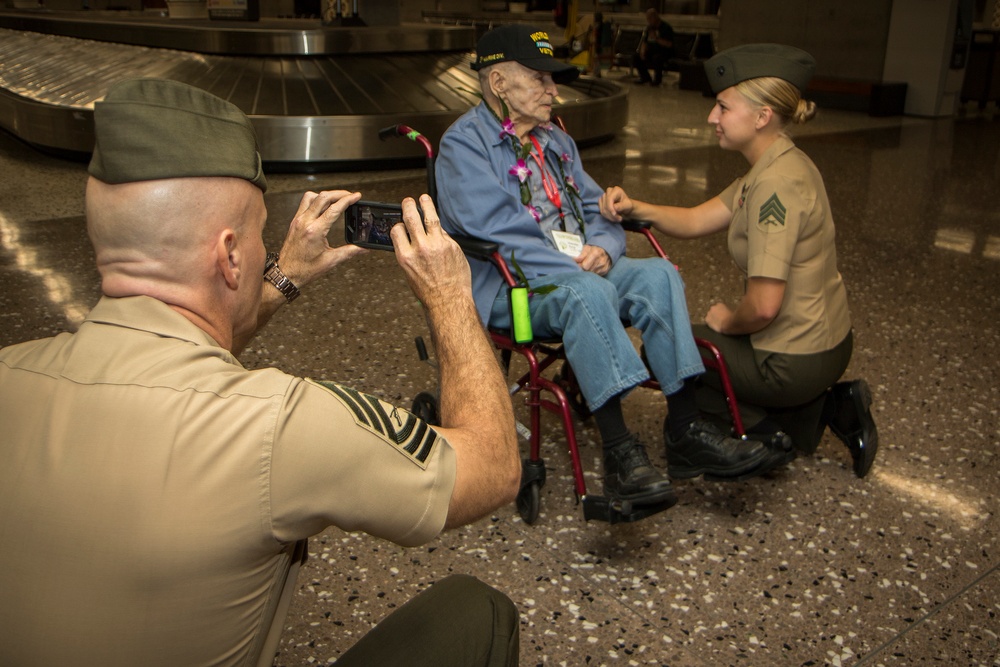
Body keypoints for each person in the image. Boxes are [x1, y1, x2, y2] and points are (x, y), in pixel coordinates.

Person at [0, 78, 522, 666]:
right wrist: (451, 295)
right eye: (255, 236)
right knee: (476, 612)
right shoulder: (281, 425)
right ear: (228, 255)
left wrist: (280, 277)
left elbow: (185, 347)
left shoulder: (10, 372)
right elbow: (494, 467)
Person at [435, 25, 791, 516]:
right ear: (498, 83)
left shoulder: (556, 139)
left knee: (658, 275)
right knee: (586, 292)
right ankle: (621, 453)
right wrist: (578, 267)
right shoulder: (463, 147)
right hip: (511, 286)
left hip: (580, 271)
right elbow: (499, 234)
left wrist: (603, 248)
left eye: (551, 80)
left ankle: (685, 428)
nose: (553, 90)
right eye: (540, 79)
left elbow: (597, 207)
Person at [600, 44, 879, 478]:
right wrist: (635, 206)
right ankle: (829, 407)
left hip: (794, 359)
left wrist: (728, 320)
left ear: (762, 116)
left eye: (723, 107)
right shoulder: (781, 162)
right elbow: (697, 218)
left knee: (669, 350)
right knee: (700, 343)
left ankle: (769, 434)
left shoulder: (773, 188)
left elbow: (765, 306)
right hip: (829, 341)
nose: (712, 117)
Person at [633, 8, 675, 86]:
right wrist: (642, 51)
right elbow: (644, 42)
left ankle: (657, 80)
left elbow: (669, 44)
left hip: (664, 51)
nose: (648, 21)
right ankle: (645, 78)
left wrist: (656, 38)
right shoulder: (649, 28)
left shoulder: (666, 28)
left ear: (655, 18)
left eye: (650, 19)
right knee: (636, 57)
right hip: (651, 51)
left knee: (657, 58)